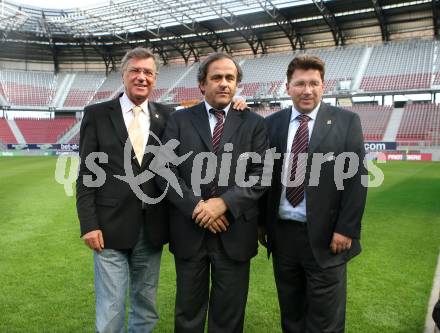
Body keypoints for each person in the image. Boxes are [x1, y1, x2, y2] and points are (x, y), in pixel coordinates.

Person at [156, 52, 268, 333]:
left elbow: (262, 174)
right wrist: (197, 207)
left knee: (229, 318)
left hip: (234, 232)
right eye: (216, 77)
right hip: (189, 231)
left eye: (230, 78)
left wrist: (224, 204)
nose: (224, 83)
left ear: (237, 84)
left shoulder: (254, 123)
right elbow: (163, 170)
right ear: (202, 85)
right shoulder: (179, 120)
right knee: (188, 316)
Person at [260, 55, 367, 333]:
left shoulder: (346, 121)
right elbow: (262, 177)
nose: (307, 90)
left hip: (327, 237)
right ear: (287, 87)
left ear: (323, 86)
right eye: (300, 83)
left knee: (325, 319)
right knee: (291, 313)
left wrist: (346, 229)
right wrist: (262, 223)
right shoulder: (271, 124)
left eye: (314, 83)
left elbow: (356, 180)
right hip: (283, 236)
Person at [76, 47, 174, 333]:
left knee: (146, 305)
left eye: (148, 72)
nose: (141, 77)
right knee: (111, 307)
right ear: (124, 75)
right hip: (108, 228)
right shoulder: (96, 114)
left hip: (153, 227)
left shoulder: (168, 115)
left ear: (155, 79)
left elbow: (203, 121)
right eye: (135, 71)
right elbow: (86, 175)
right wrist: (88, 224)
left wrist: (236, 105)